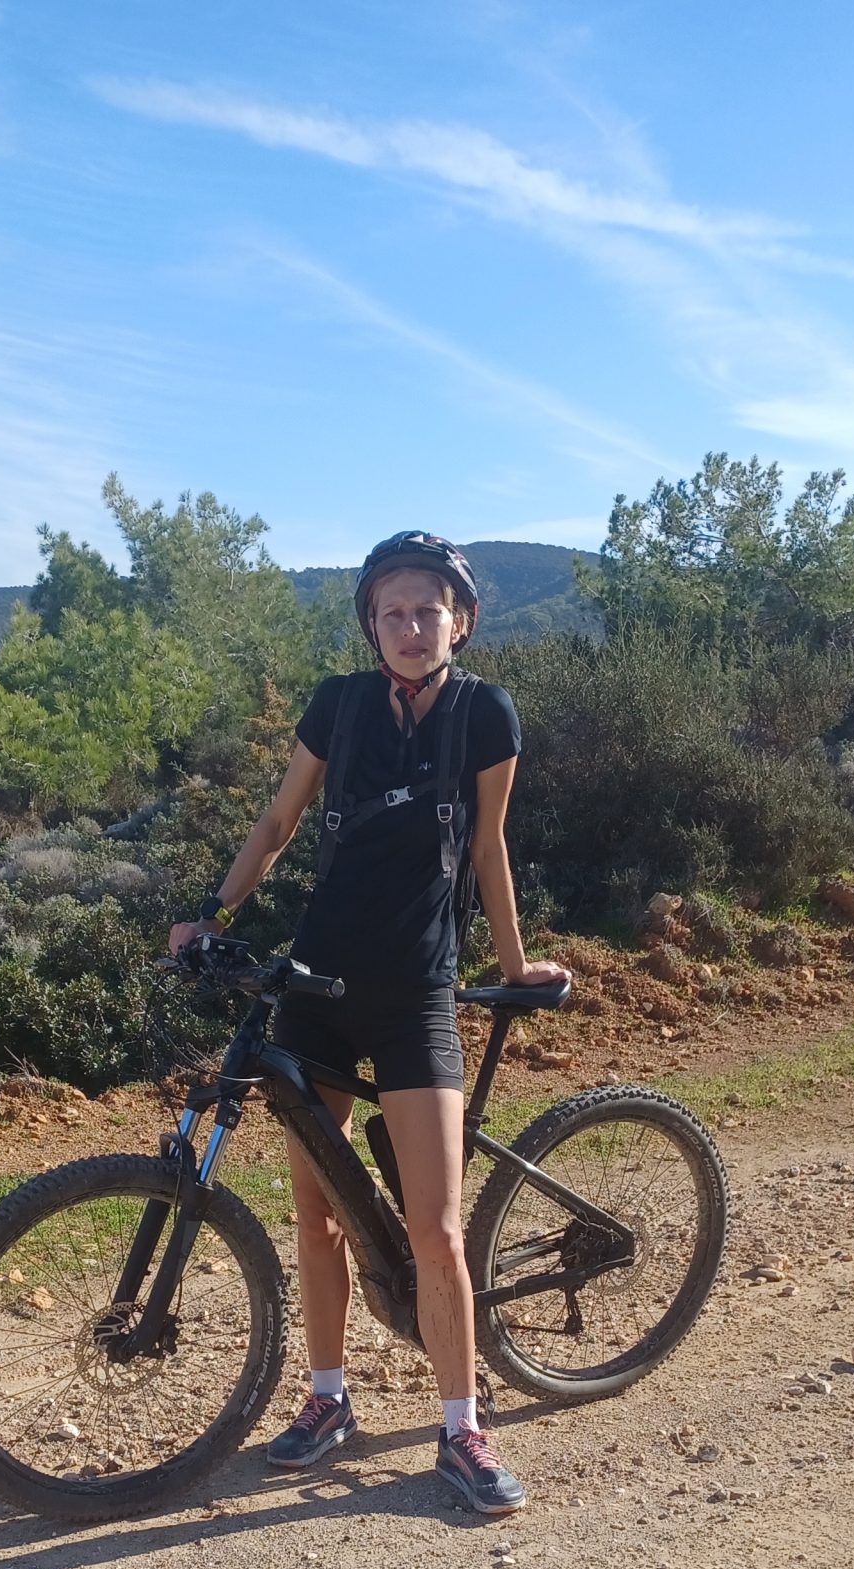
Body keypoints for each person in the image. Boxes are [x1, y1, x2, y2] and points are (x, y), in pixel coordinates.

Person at [169, 530, 569, 1518]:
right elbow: (276, 825)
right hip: (317, 985)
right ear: (372, 623)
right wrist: (212, 915)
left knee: (436, 1229)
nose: (410, 626)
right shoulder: (339, 705)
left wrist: (512, 964)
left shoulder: (485, 713)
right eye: (393, 611)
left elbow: (488, 848)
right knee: (318, 1215)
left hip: (416, 990)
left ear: (459, 622)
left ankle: (461, 1428)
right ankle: (328, 1399)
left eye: (428, 610)